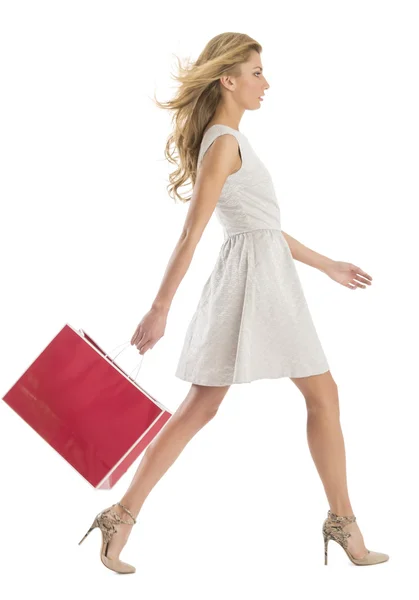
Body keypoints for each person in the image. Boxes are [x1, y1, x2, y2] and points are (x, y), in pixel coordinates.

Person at [78, 32, 389, 573]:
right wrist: (160, 308)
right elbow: (191, 234)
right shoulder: (224, 142)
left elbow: (264, 229)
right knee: (264, 399)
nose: (266, 83)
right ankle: (341, 524)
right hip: (253, 288)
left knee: (237, 402)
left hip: (263, 282)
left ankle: (120, 518)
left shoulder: (231, 141)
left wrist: (327, 264)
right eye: (257, 72)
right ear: (229, 79)